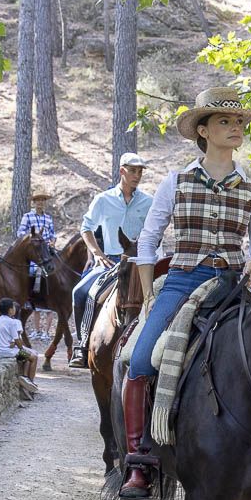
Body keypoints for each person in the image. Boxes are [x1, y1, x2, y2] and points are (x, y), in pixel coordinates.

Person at [121, 85, 251, 497]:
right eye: (225, 120)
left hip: (232, 285)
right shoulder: (176, 182)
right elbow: (149, 240)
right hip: (184, 280)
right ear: (203, 131)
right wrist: (151, 290)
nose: (235, 127)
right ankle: (140, 460)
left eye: (239, 121)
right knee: (139, 360)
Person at [69, 152, 154, 368]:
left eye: (140, 171)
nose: (137, 175)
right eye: (133, 171)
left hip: (141, 261)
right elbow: (86, 227)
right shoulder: (103, 200)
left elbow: (156, 231)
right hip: (112, 260)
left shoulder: (148, 202)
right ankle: (82, 345)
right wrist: (97, 254)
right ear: (122, 171)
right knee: (81, 292)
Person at [16, 190, 56, 329]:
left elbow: (53, 234)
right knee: (32, 271)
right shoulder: (27, 216)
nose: (41, 202)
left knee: (57, 268)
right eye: (38, 200)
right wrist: (33, 239)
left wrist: (52, 242)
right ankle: (29, 298)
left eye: (43, 200)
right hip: (33, 251)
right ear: (34, 202)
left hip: (45, 251)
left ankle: (52, 297)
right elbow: (20, 233)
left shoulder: (48, 218)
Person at [0, 297, 38, 394]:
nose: (15, 309)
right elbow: (17, 339)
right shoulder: (12, 322)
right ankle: (30, 383)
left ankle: (25, 378)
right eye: (13, 307)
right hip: (8, 352)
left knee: (26, 359)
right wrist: (22, 349)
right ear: (10, 310)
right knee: (33, 357)